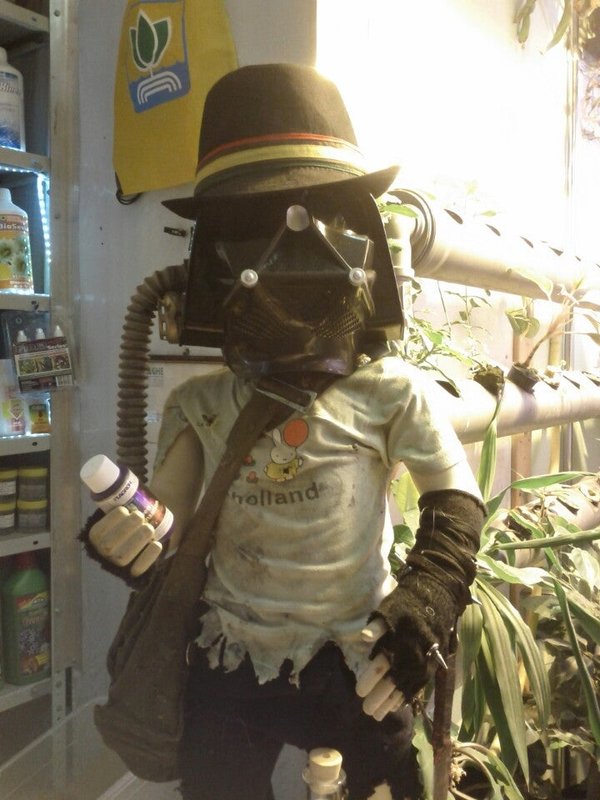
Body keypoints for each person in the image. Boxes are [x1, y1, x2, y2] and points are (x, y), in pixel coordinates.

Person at [84, 64, 485, 800]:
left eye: (316, 213)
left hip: (358, 659)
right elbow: (166, 521)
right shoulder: (203, 403)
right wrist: (130, 536)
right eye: (254, 224)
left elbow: (456, 504)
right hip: (231, 658)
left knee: (391, 783)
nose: (289, 247)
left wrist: (424, 603)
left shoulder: (392, 392)